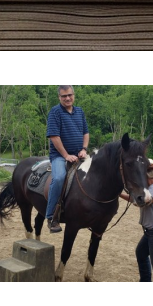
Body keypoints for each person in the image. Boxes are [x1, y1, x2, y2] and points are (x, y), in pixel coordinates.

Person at [120, 160, 153, 282]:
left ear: (148, 177)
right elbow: (137, 199)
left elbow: (139, 202)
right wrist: (119, 194)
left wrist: (121, 194)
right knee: (141, 253)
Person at [45, 85, 89, 232]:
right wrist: (66, 155)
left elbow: (86, 133)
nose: (67, 98)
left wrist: (84, 149)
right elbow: (54, 137)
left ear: (73, 95)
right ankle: (51, 217)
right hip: (60, 156)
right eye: (64, 96)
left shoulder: (80, 111)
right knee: (58, 178)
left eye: (70, 95)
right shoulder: (55, 112)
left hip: (79, 154)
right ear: (59, 97)